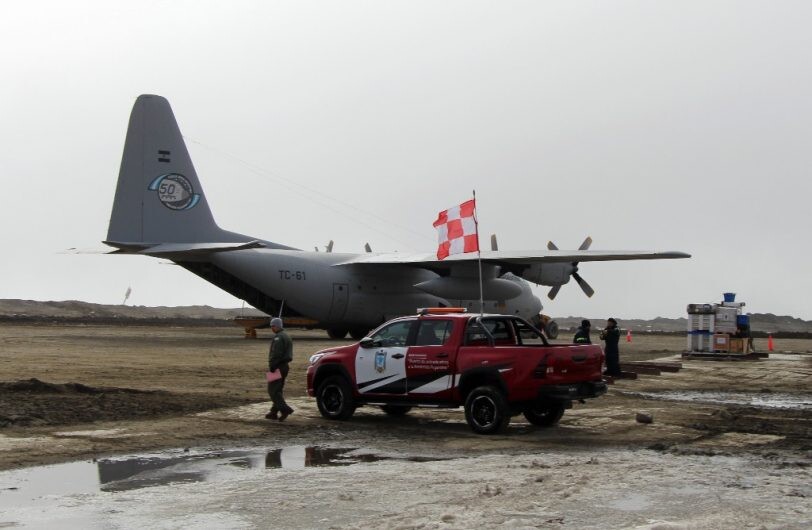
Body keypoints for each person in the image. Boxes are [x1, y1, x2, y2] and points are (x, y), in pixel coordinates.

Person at [266, 317, 294, 421]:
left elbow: (276, 354)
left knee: (272, 390)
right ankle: (273, 412)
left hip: (277, 366)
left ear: (277, 326)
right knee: (278, 390)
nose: (272, 328)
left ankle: (285, 409)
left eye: (273, 326)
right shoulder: (286, 336)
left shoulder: (278, 337)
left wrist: (272, 366)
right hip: (285, 366)